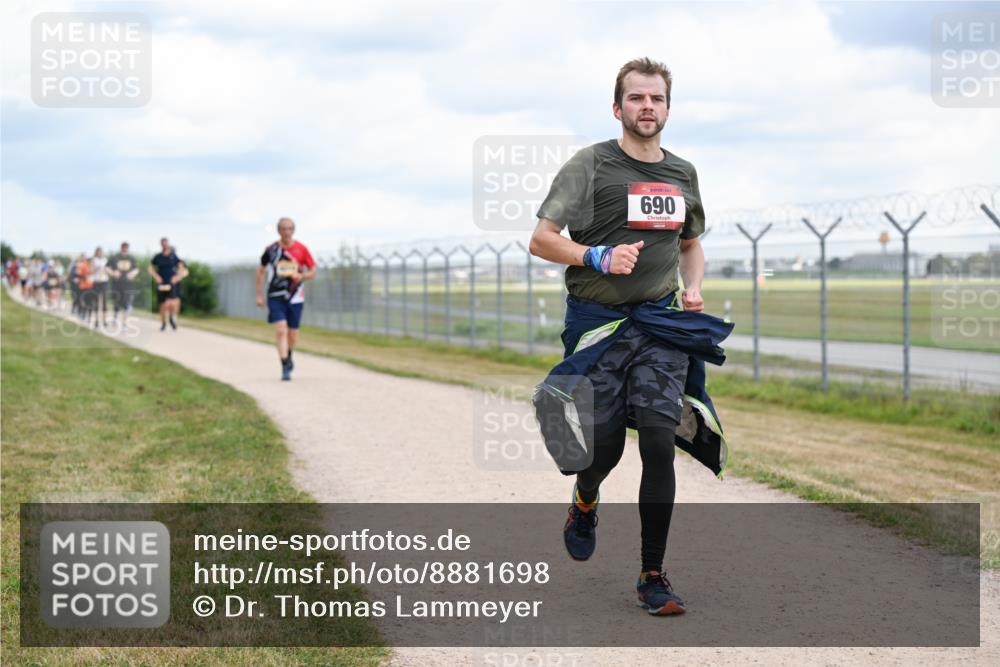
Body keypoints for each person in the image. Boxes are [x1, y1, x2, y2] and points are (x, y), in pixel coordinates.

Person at [529, 57, 732, 616]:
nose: (648, 107)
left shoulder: (682, 174)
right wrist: (595, 254)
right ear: (618, 108)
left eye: (657, 99)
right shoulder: (590, 165)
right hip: (599, 324)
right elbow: (541, 240)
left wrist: (692, 289)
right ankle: (585, 497)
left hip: (662, 325)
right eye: (637, 99)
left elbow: (690, 245)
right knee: (605, 450)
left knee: (661, 441)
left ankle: (653, 575)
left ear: (668, 107)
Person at [255, 217, 316, 381]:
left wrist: (301, 276)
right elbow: (260, 271)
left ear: (293, 230)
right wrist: (259, 295)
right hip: (275, 295)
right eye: (283, 228)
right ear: (279, 231)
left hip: (295, 296)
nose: (287, 232)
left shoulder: (302, 249)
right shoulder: (271, 250)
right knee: (281, 329)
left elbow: (313, 271)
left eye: (289, 228)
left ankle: (289, 355)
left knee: (293, 334)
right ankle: (284, 365)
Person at [149, 238, 188, 331]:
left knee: (173, 302)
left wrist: (177, 277)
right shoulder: (157, 257)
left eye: (167, 244)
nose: (165, 245)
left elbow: (183, 269)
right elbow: (151, 268)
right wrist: (156, 277)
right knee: (162, 304)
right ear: (161, 245)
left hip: (172, 283)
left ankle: (172, 317)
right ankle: (163, 323)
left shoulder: (174, 257)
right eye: (163, 244)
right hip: (162, 283)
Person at [108, 241, 140, 322]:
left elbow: (136, 269)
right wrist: (112, 273)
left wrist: (132, 274)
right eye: (123, 247)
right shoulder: (115, 257)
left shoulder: (131, 258)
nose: (125, 249)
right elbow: (107, 267)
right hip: (117, 283)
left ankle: (124, 321)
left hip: (127, 283)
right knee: (117, 301)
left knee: (126, 301)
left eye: (126, 247)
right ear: (121, 247)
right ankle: (115, 317)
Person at [91, 246, 110, 327]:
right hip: (96, 282)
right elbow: (91, 270)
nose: (100, 253)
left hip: (104, 281)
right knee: (96, 301)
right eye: (98, 252)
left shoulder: (105, 260)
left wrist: (106, 269)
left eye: (100, 252)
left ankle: (104, 320)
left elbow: (108, 270)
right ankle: (96, 320)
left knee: (104, 301)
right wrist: (96, 268)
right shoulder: (93, 260)